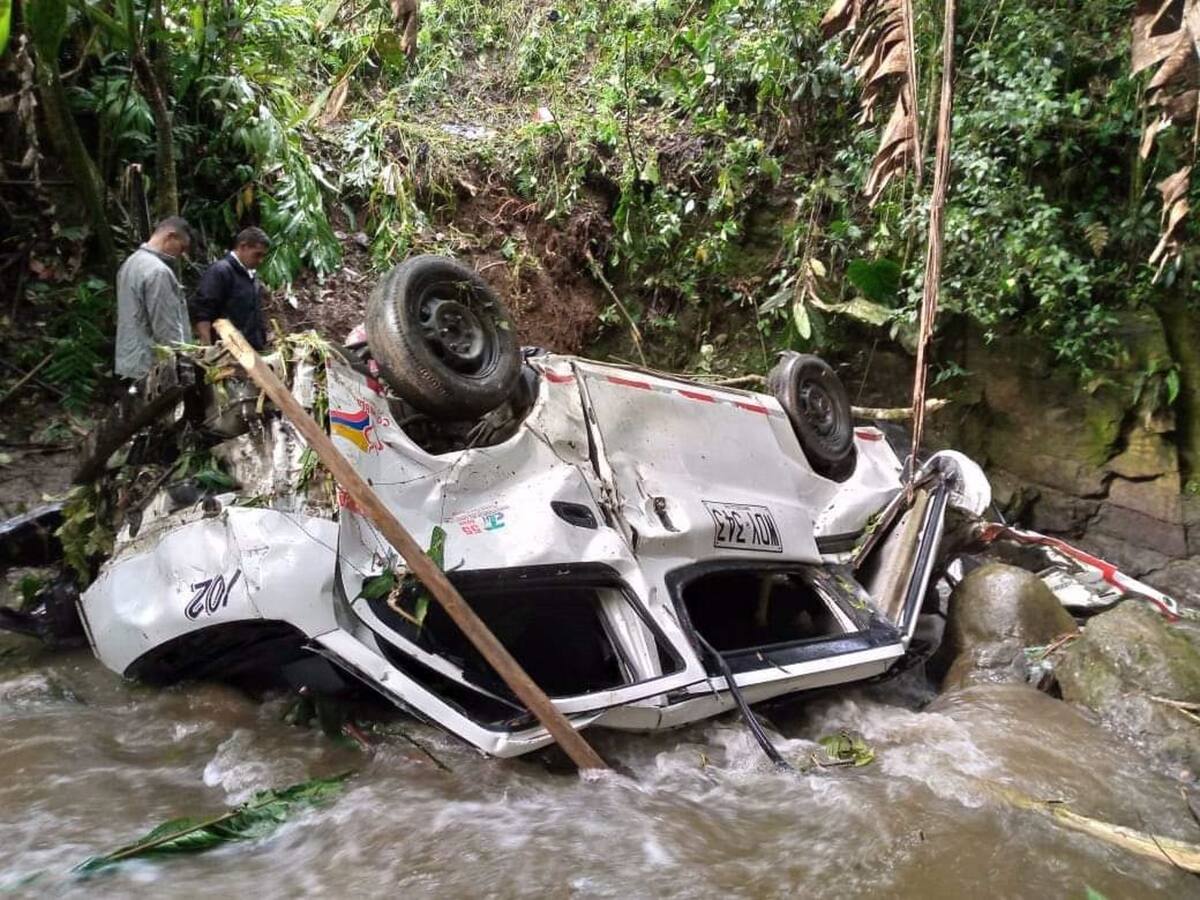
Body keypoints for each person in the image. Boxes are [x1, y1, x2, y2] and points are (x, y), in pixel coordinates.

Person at [114, 216, 193, 380]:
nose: (181, 254)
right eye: (182, 247)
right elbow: (166, 326)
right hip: (150, 366)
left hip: (129, 360)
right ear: (171, 237)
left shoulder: (131, 263)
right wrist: (181, 362)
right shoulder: (158, 271)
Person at [192, 227, 271, 349]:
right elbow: (203, 312)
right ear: (243, 247)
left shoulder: (251, 275)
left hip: (251, 353)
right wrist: (207, 349)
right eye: (257, 254)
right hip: (228, 352)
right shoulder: (221, 271)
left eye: (263, 256)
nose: (260, 260)